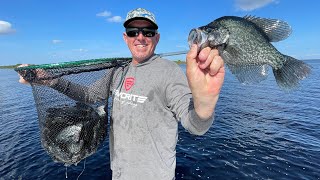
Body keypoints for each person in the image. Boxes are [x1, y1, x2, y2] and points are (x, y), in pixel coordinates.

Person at [19, 8, 225, 180]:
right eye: (133, 32)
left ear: (157, 37)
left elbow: (194, 124)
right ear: (125, 37)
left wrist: (205, 104)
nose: (141, 37)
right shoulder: (118, 70)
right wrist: (50, 80)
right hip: (119, 173)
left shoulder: (169, 71)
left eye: (148, 32)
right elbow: (89, 95)